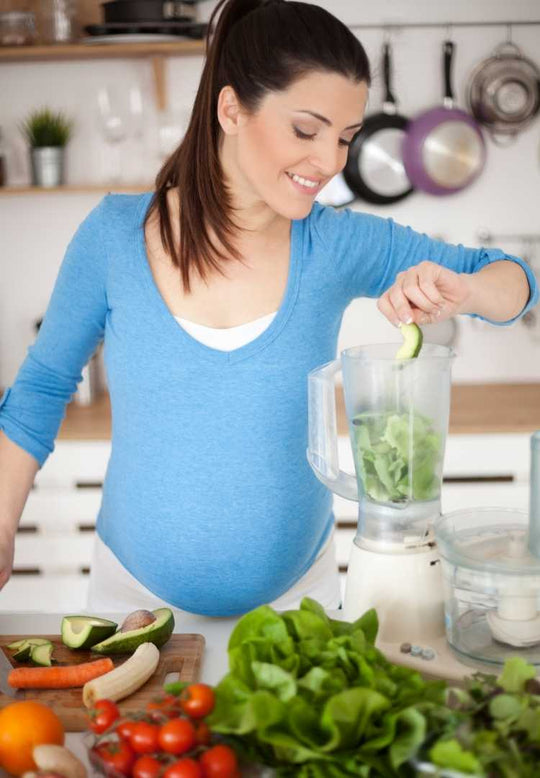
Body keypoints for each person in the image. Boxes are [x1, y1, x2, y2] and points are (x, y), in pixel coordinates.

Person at [0, 0, 537, 618]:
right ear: (231, 109)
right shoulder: (115, 237)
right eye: (306, 131)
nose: (331, 162)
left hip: (299, 606)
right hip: (134, 605)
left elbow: (515, 282)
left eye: (344, 138)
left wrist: (464, 290)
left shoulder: (335, 244)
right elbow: (41, 388)